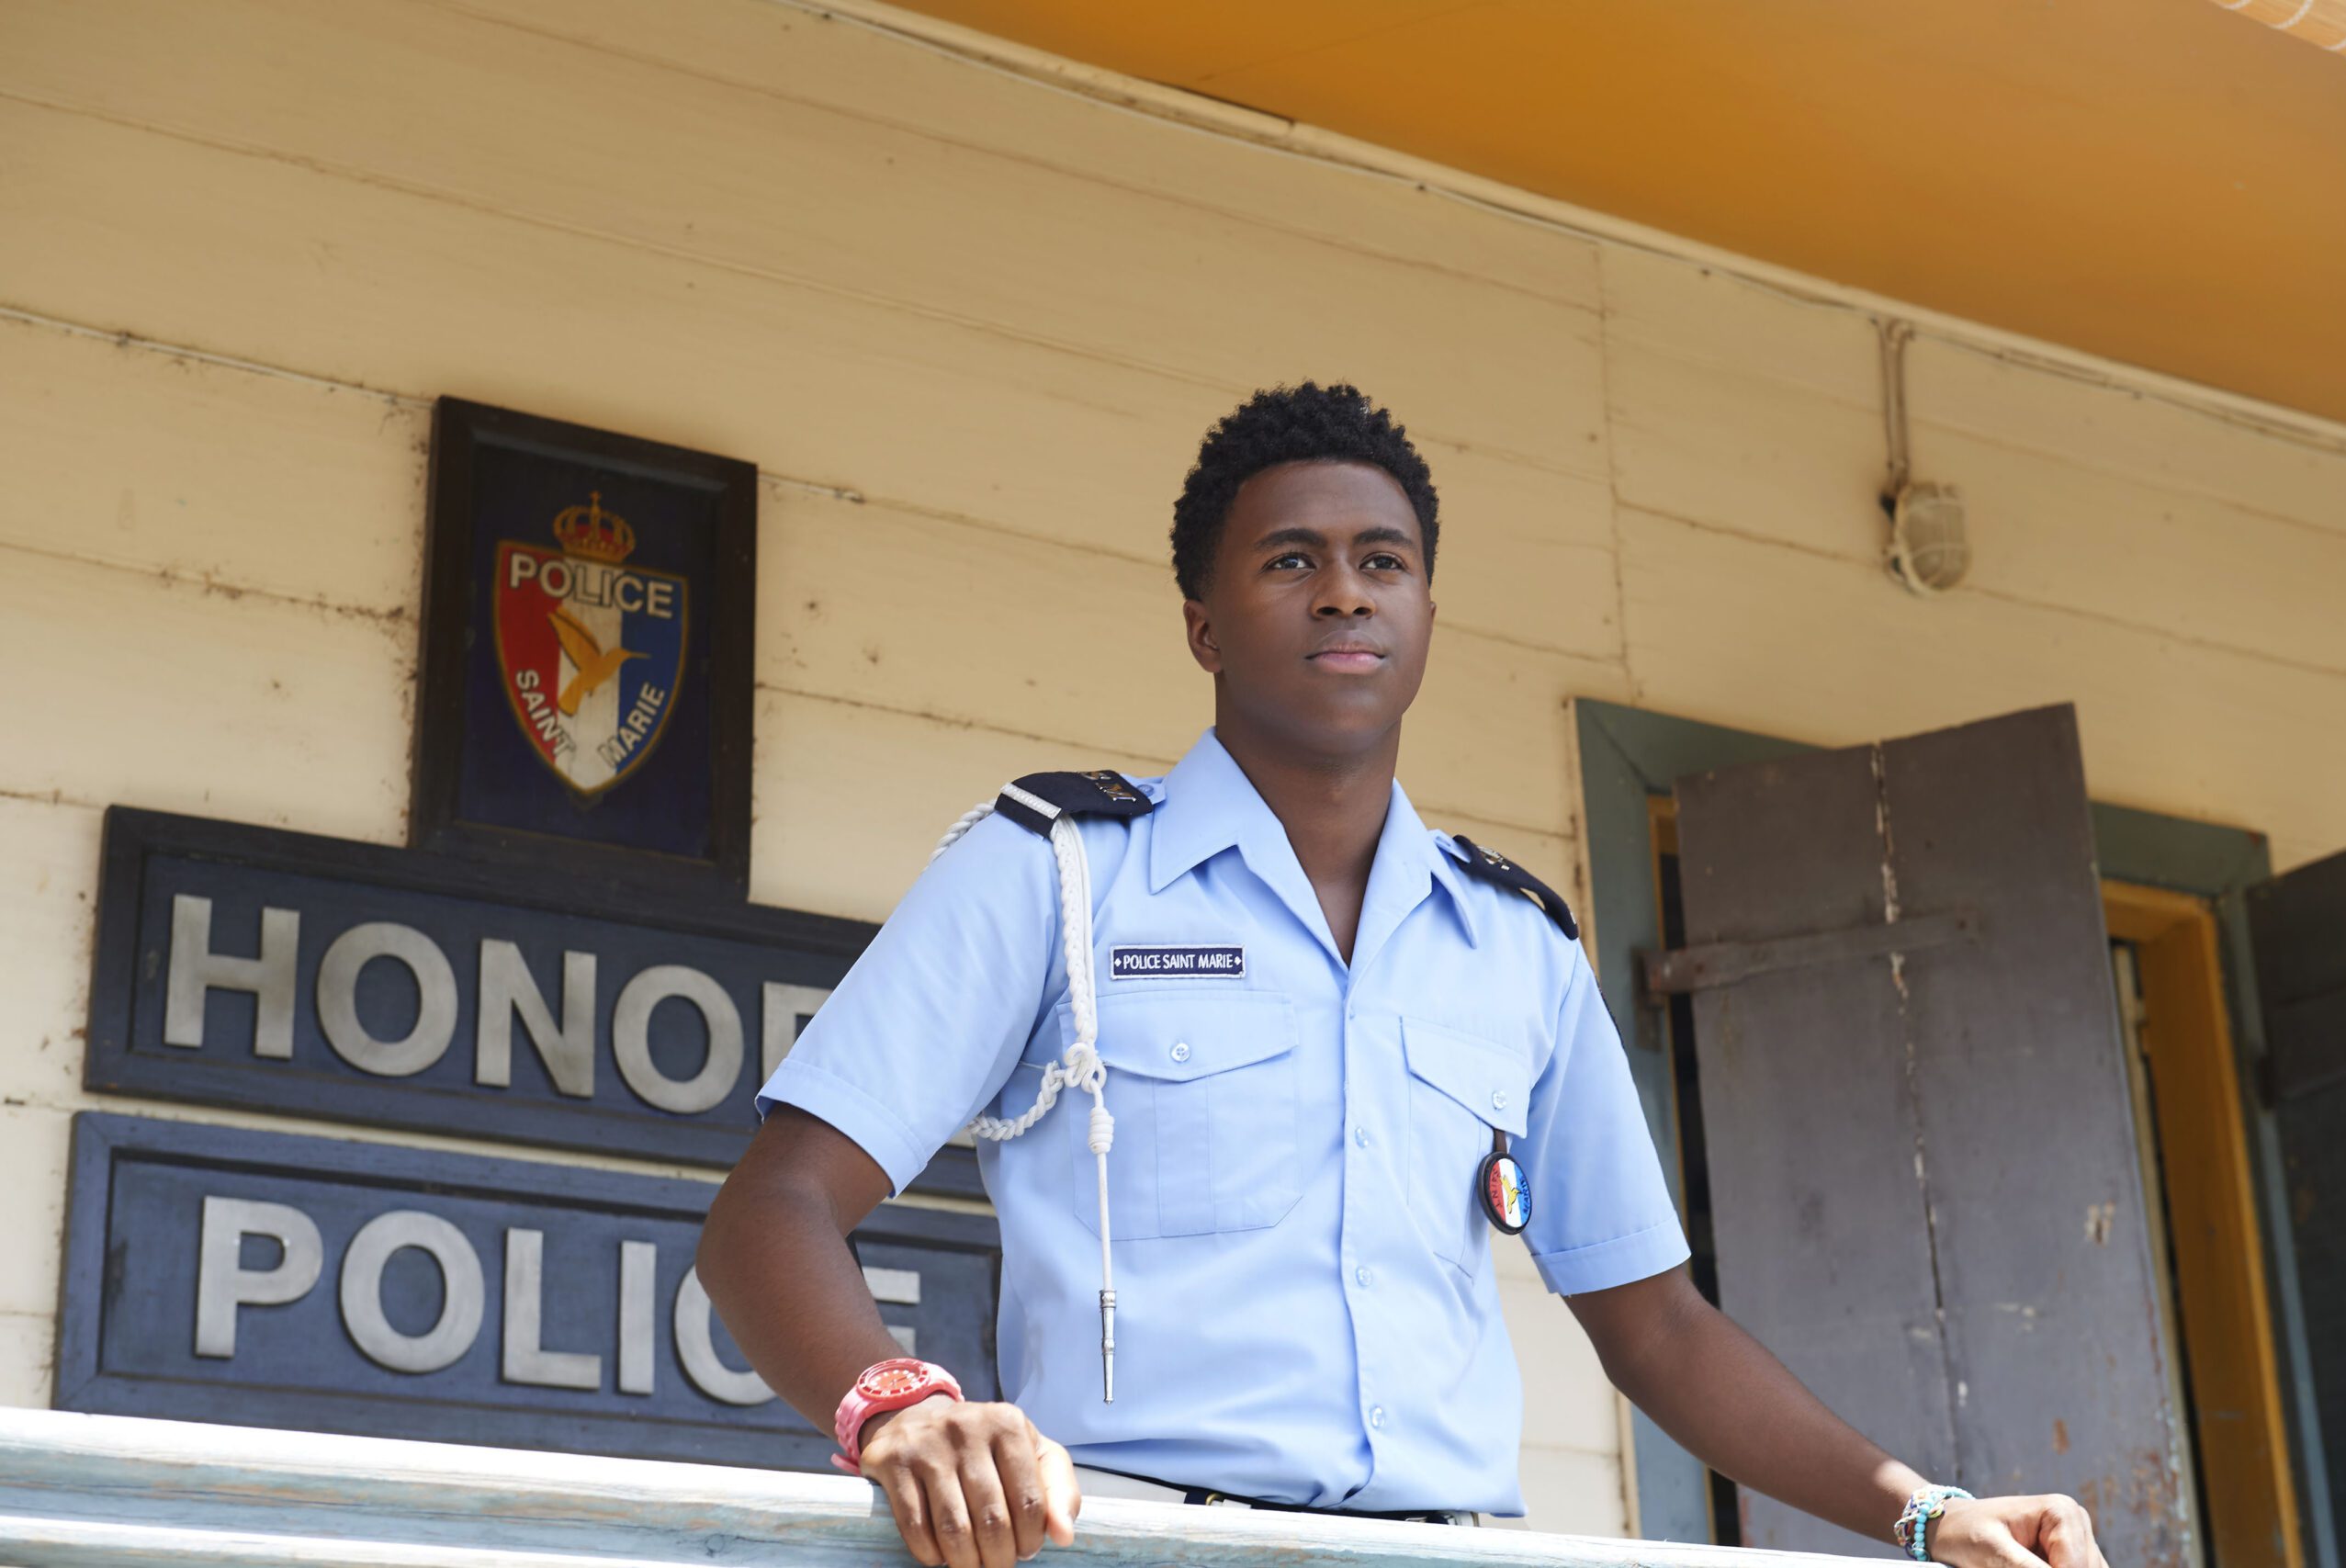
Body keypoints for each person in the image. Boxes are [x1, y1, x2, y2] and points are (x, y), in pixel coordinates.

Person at [696, 383, 2110, 1568]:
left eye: (1384, 560)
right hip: (1147, 1546)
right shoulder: (1055, 873)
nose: (1344, 595)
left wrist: (1925, 1513)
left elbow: (1658, 1325)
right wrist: (898, 1406)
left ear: (1427, 610)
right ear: (1203, 622)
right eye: (1289, 560)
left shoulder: (1518, 949)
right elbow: (773, 1208)